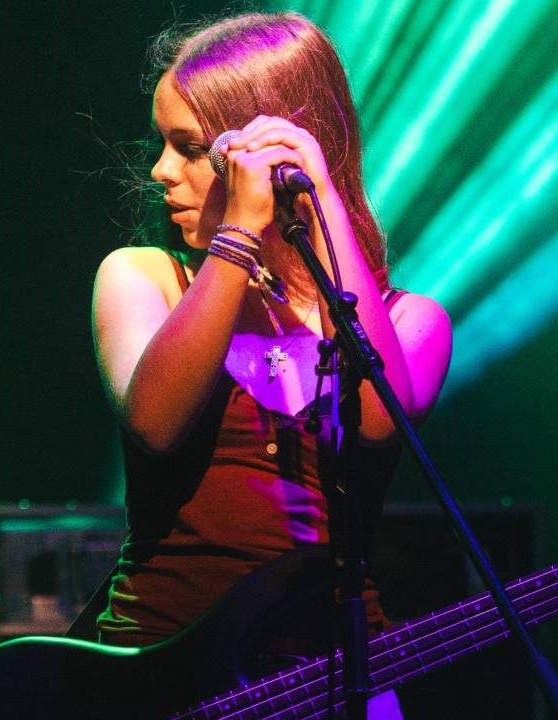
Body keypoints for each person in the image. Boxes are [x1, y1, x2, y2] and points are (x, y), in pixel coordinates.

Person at [89, 10, 452, 716]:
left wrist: (320, 196)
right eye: (162, 144)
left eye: (191, 148)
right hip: (162, 679)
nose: (161, 171)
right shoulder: (143, 277)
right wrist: (239, 235)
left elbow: (378, 425)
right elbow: (156, 423)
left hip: (335, 679)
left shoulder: (414, 321)